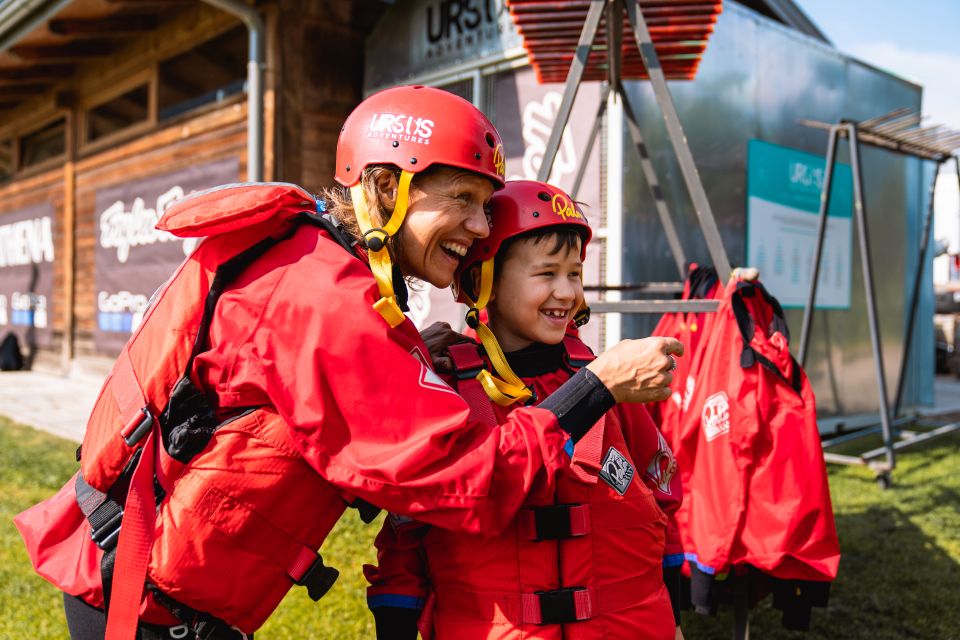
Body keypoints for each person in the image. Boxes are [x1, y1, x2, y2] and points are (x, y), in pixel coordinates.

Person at [23, 85, 682, 639]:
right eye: (461, 199)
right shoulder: (321, 296)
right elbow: (469, 481)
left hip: (146, 581)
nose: (481, 228)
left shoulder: (309, 263)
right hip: (142, 596)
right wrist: (598, 385)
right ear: (387, 187)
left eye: (486, 206)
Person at [365, 180, 685, 640]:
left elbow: (662, 502)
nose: (566, 292)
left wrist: (673, 618)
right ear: (483, 280)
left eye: (574, 274)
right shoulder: (448, 395)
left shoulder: (614, 384)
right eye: (546, 273)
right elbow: (405, 538)